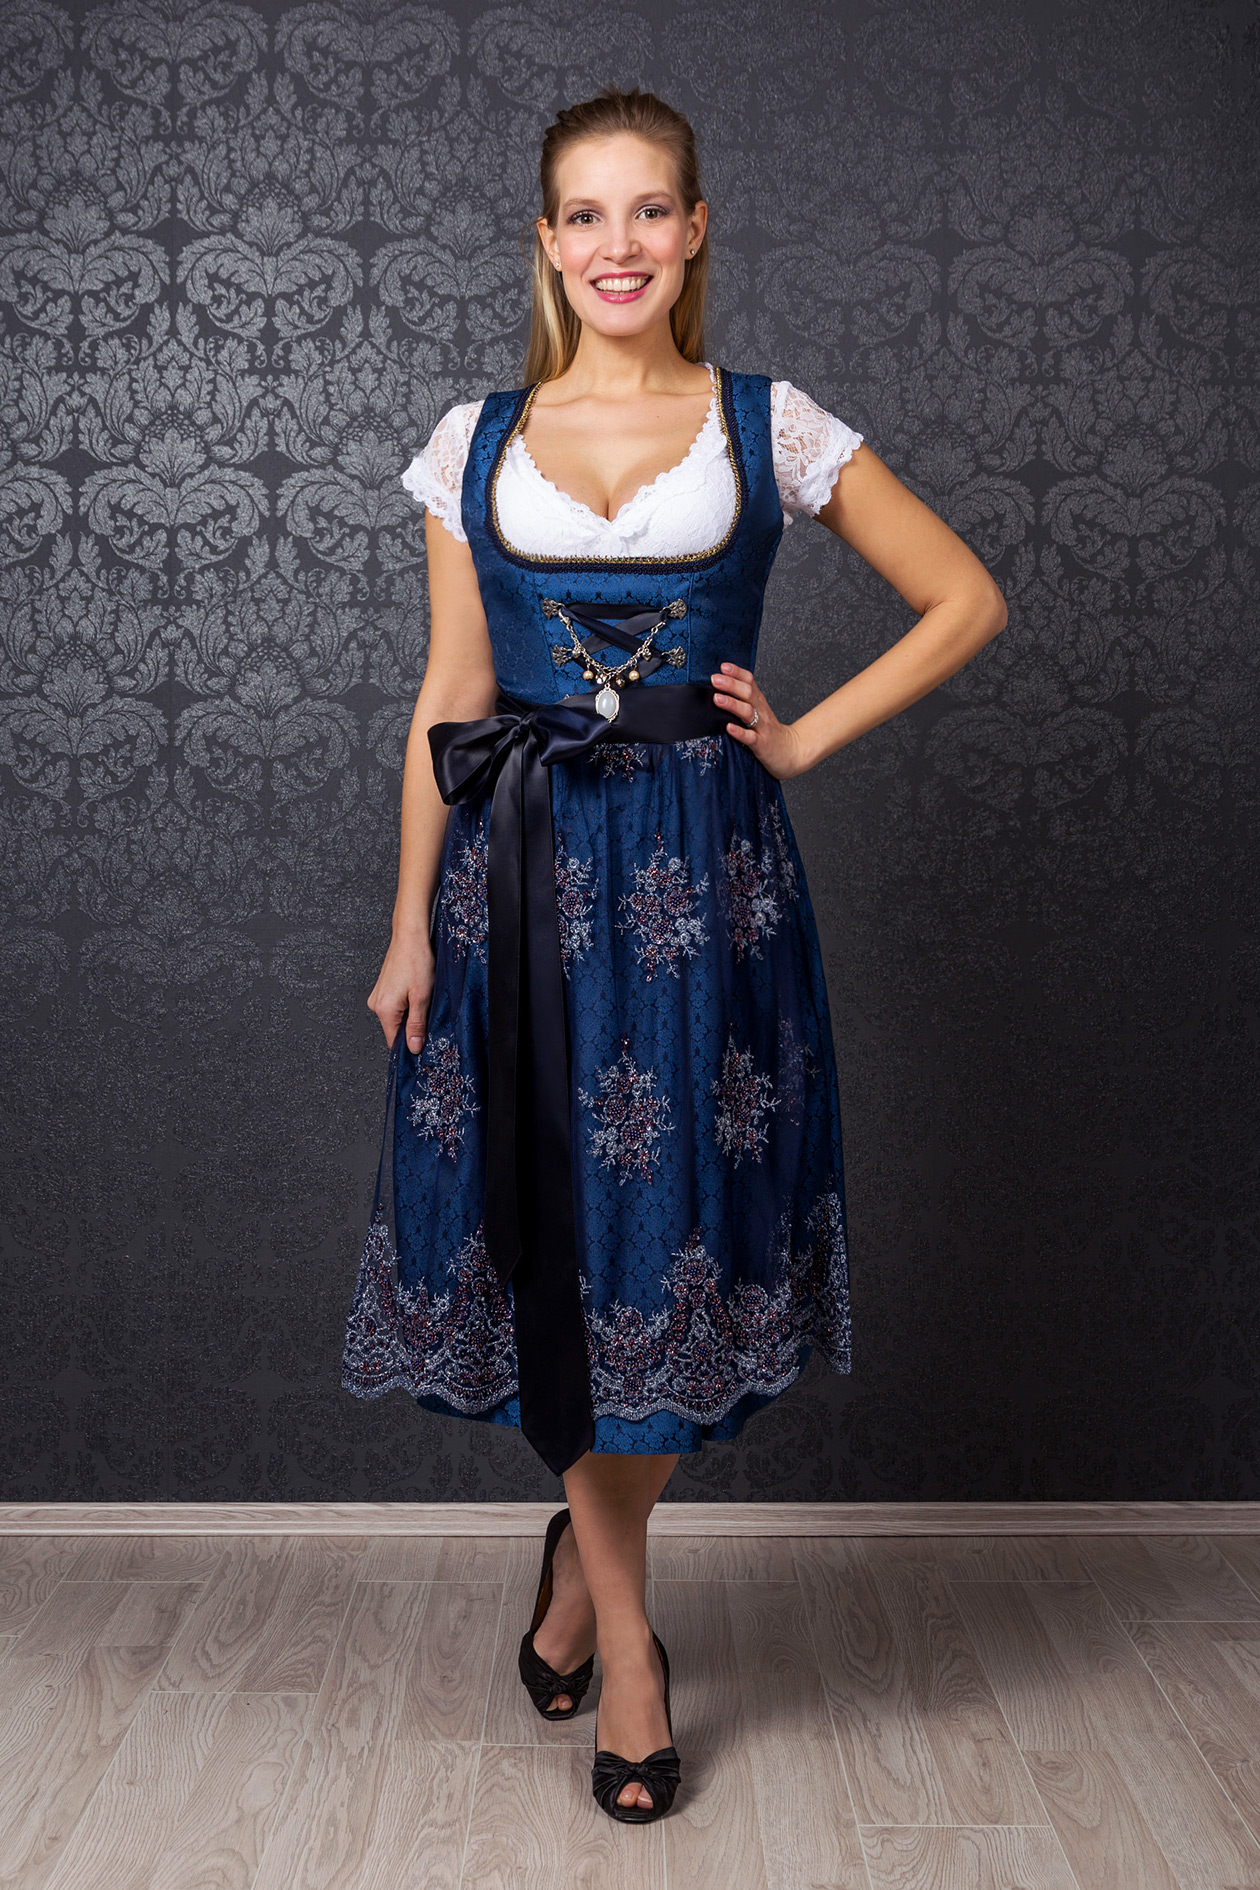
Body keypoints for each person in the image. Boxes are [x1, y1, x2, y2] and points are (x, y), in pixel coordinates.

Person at [342, 84, 1006, 1823]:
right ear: (546, 241)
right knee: (559, 1239)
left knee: (668, 1245)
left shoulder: (769, 425)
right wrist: (408, 924)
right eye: (586, 213)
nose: (618, 244)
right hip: (515, 880)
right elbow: (450, 696)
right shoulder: (471, 441)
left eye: (650, 210)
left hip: (704, 890)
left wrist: (800, 738)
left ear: (695, 231)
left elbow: (966, 596)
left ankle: (584, 1564)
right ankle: (630, 1648)